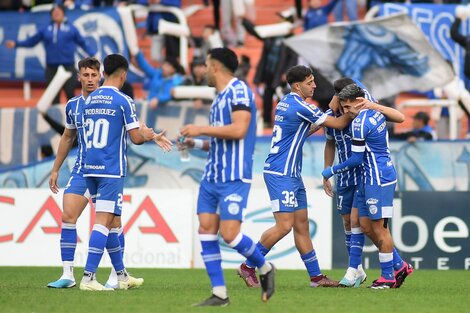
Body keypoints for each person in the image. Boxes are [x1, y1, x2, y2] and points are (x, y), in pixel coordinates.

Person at [237, 65, 358, 289]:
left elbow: (305, 130)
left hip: (290, 173)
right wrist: (356, 106)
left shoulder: (286, 102)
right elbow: (340, 124)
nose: (314, 86)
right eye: (310, 82)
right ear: (297, 86)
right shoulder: (300, 105)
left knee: (301, 225)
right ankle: (247, 266)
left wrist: (330, 110)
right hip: (280, 173)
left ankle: (316, 278)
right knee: (284, 226)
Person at [180, 47, 275, 306]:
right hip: (212, 175)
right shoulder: (219, 98)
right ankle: (220, 293)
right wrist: (195, 143)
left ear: (217, 67)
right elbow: (219, 141)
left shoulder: (240, 90)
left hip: (234, 176)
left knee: (230, 234)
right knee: (206, 231)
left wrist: (200, 127)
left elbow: (239, 130)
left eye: (207, 65)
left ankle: (265, 267)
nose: (204, 70)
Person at [80, 54, 173, 291]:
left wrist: (145, 133)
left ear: (102, 74)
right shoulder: (124, 100)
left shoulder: (89, 100)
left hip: (89, 166)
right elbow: (136, 138)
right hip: (111, 168)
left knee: (113, 221)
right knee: (103, 221)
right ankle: (88, 277)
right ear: (123, 75)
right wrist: (150, 135)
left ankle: (121, 275)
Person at [322, 84, 414, 289]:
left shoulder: (359, 123)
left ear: (358, 101)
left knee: (379, 229)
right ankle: (395, 267)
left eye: (347, 107)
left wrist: (331, 170)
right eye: (343, 107)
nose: (346, 112)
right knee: (361, 224)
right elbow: (399, 117)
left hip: (378, 177)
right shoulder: (374, 111)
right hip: (368, 177)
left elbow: (355, 159)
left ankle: (388, 276)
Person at [5, 4, 96, 105]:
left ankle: (73, 117)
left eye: (59, 12)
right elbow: (32, 41)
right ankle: (55, 117)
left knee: (70, 93)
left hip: (68, 66)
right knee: (53, 96)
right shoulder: (45, 29)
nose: (56, 14)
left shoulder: (71, 28)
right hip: (51, 67)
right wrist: (16, 44)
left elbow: (82, 42)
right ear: (51, 15)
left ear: (63, 14)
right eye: (54, 12)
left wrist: (92, 55)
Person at [133, 51, 185, 127]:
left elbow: (170, 93)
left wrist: (158, 99)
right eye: (164, 64)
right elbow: (145, 67)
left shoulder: (177, 80)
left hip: (166, 113)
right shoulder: (157, 74)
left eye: (168, 65)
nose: (164, 67)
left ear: (174, 69)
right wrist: (137, 53)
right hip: (151, 109)